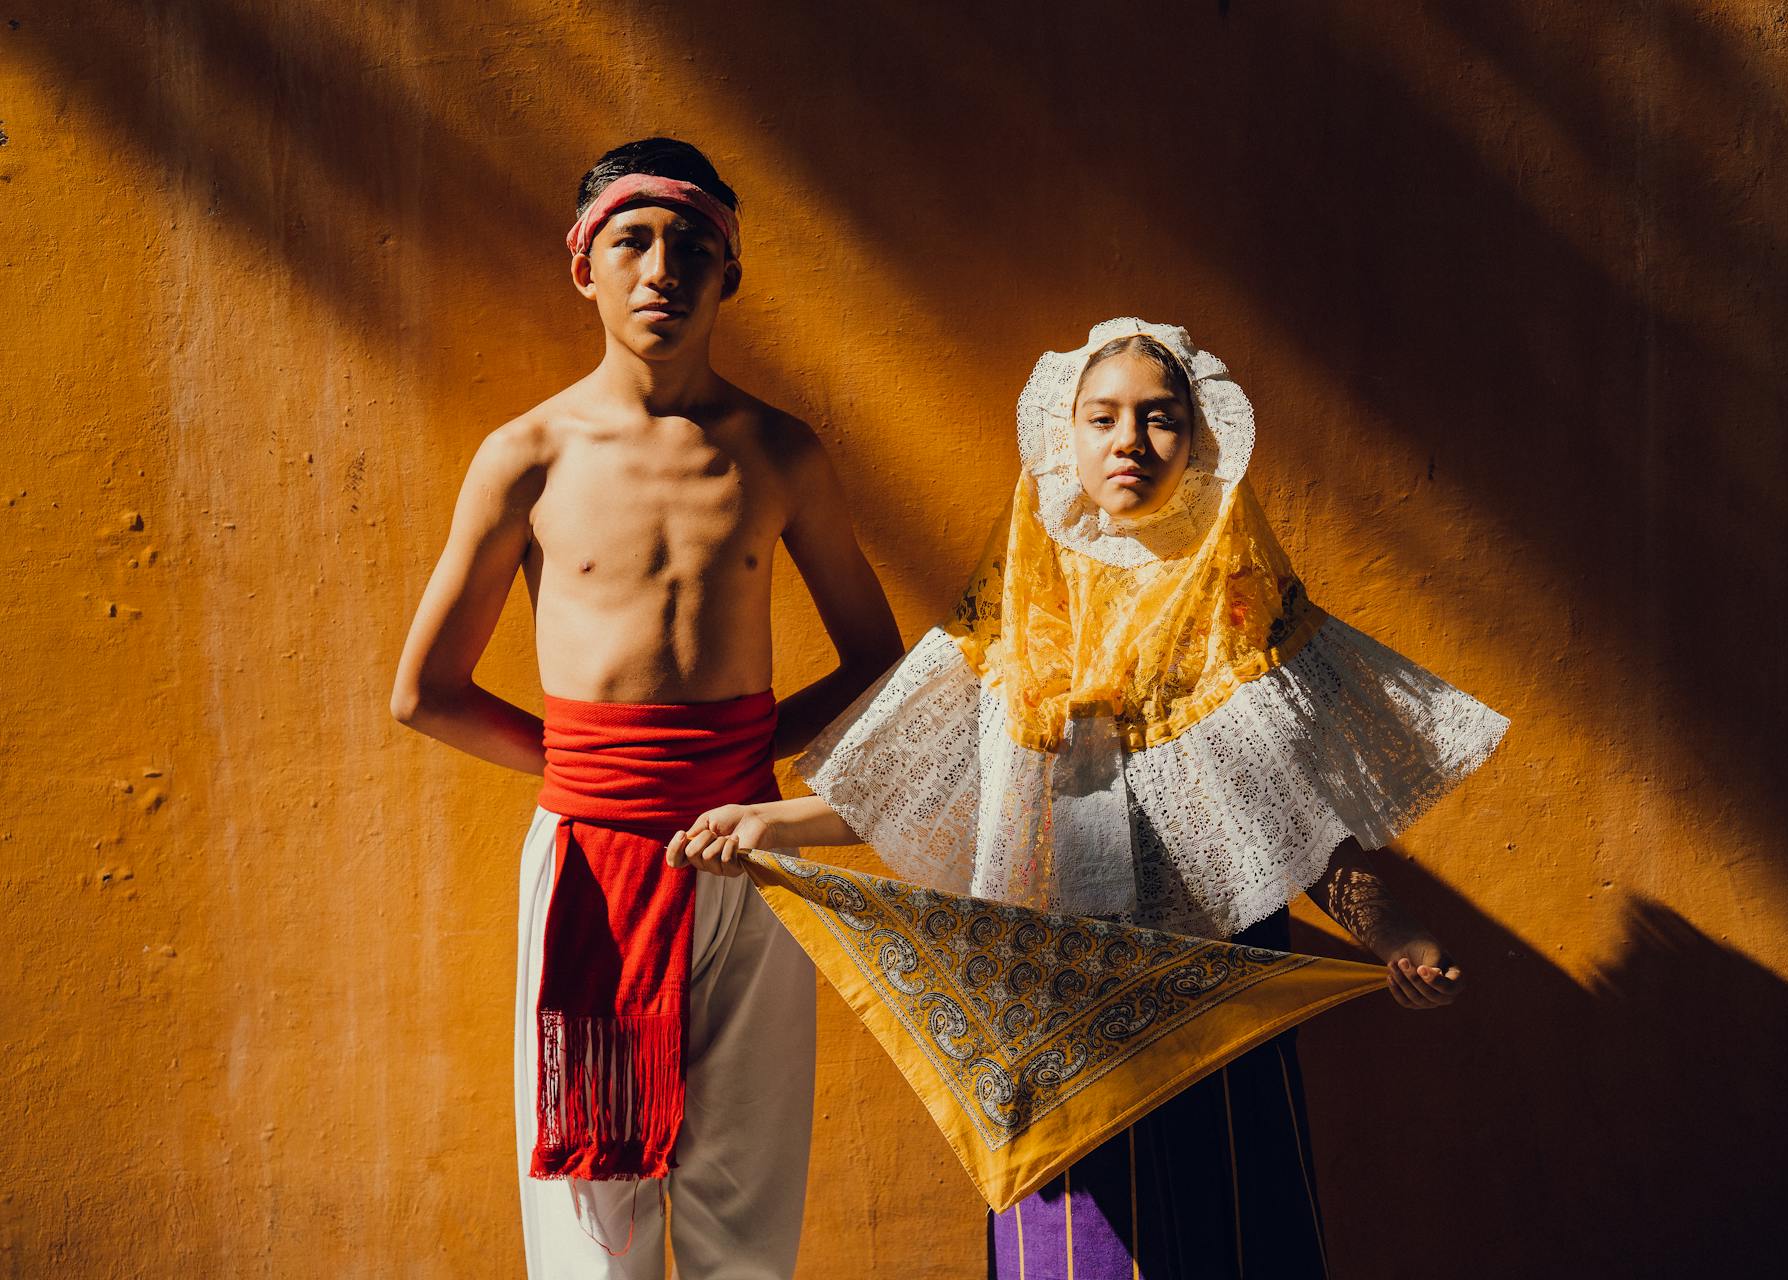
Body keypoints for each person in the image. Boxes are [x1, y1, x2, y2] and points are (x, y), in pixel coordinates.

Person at [669, 319, 1509, 1277]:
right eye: (1103, 418)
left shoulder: (1244, 605)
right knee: (1071, 1248)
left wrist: (1394, 935)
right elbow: (931, 788)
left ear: (1200, 442)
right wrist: (771, 822)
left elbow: (1304, 825)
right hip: (1048, 992)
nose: (1131, 442)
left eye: (1160, 420)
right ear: (1062, 438)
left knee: (1231, 1227)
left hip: (1215, 987)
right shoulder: (1016, 603)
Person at [389, 137, 902, 1280]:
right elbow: (423, 690)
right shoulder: (526, 455)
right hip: (590, 864)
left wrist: (734, 757)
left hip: (750, 856)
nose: (661, 266)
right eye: (632, 239)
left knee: (745, 1210)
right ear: (585, 266)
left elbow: (878, 660)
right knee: (590, 1223)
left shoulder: (779, 452)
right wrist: (592, 770)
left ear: (730, 273)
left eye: (691, 244)